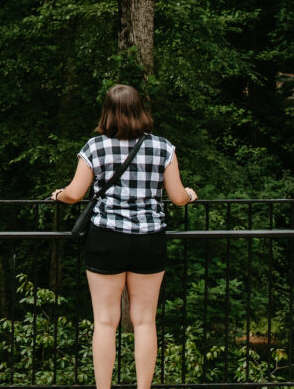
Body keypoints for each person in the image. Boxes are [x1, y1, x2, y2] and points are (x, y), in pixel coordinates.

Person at [51, 84, 197, 389]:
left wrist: (58, 195)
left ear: (108, 112)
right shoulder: (162, 147)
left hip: (106, 237)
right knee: (144, 320)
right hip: (149, 237)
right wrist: (190, 195)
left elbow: (75, 194)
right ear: (140, 109)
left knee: (105, 321)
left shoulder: (95, 147)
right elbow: (178, 197)